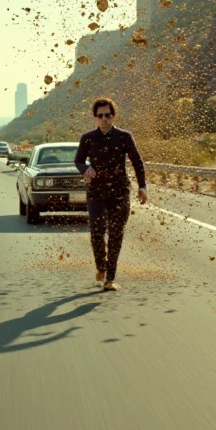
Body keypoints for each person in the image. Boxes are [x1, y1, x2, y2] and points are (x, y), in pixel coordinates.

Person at [73, 97, 148, 292]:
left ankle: (109, 279)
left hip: (120, 191)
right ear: (95, 118)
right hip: (96, 191)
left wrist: (142, 186)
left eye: (108, 115)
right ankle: (100, 266)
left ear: (113, 115)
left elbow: (137, 161)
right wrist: (85, 169)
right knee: (97, 231)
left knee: (116, 234)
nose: (104, 119)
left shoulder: (124, 137)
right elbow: (79, 160)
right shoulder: (88, 138)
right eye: (100, 116)